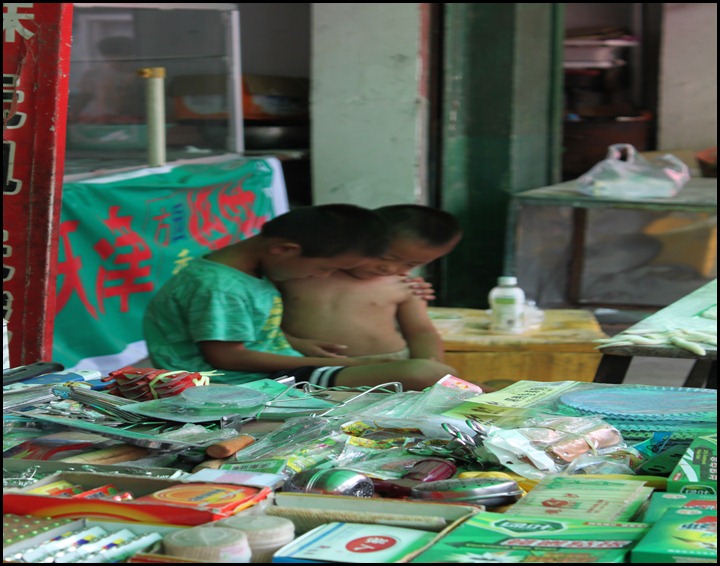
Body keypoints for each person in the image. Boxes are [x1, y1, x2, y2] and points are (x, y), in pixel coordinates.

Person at [143, 204, 456, 391]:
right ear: (285, 250)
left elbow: (251, 331)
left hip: (277, 370)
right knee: (426, 375)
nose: (322, 276)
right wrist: (354, 362)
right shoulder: (222, 286)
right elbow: (227, 357)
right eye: (325, 269)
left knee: (430, 374)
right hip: (244, 382)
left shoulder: (253, 272)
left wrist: (298, 344)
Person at [279, 204, 462, 365]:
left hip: (389, 362)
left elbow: (421, 332)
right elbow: (265, 324)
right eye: (385, 257)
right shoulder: (301, 275)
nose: (390, 268)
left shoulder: (406, 285)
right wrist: (294, 343)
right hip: (306, 362)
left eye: (411, 264)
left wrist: (432, 365)